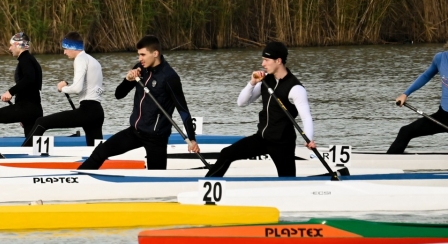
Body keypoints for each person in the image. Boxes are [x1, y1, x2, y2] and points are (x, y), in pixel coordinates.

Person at [77, 36, 199, 170]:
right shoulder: (140, 69)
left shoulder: (170, 77)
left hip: (156, 138)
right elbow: (118, 95)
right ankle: (77, 178)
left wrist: (191, 139)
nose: (140, 58)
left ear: (155, 53)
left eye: (143, 54)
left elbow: (183, 110)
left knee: (155, 178)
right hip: (135, 132)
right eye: (139, 55)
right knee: (100, 152)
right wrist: (128, 80)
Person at [205, 42, 315, 178]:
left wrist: (309, 138)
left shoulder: (295, 88)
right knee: (226, 153)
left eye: (266, 60)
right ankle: (205, 186)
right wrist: (252, 83)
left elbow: (306, 117)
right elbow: (241, 103)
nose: (263, 64)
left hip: (282, 143)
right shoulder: (265, 81)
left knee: (287, 179)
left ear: (278, 61)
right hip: (262, 138)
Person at [0, 32, 42, 167]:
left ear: (18, 45)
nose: (9, 49)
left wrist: (10, 92)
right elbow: (31, 86)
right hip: (34, 109)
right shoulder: (31, 59)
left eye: (11, 46)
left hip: (27, 108)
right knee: (30, 146)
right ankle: (32, 167)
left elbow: (29, 79)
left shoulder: (25, 60)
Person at [24, 32, 104, 145]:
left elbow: (77, 88)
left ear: (73, 47)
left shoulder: (80, 59)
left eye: (66, 48)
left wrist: (63, 88)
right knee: (96, 152)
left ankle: (21, 153)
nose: (64, 52)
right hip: (97, 112)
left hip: (87, 111)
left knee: (41, 122)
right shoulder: (93, 60)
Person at [388, 43, 448, 153]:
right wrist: (405, 94)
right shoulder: (440, 58)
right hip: (443, 116)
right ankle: (385, 165)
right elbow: (426, 76)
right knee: (405, 131)